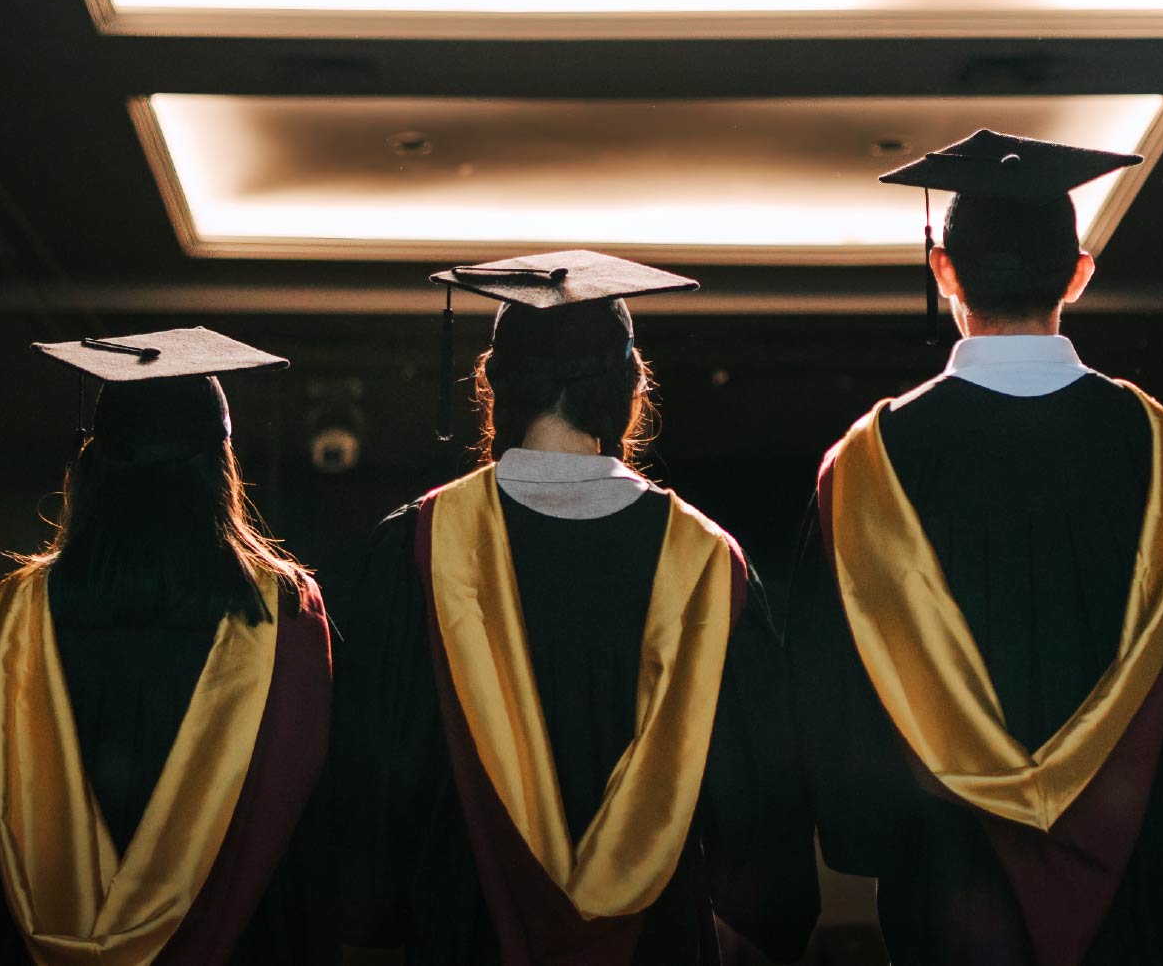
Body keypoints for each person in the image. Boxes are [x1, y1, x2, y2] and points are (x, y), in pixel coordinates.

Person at [788, 130, 1163, 966]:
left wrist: (867, 839)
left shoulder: (865, 469)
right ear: (1078, 272)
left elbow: (829, 698)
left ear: (943, 268)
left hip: (950, 894)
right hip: (1139, 890)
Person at [325, 251, 816, 966]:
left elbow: (368, 781)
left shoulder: (418, 549)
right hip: (654, 942)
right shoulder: (705, 560)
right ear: (628, 389)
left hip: (467, 930)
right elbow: (759, 797)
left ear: (494, 384)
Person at [0, 327, 332, 966]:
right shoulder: (283, 617)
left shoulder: (7, 622)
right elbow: (306, 833)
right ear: (220, 469)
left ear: (94, 465)